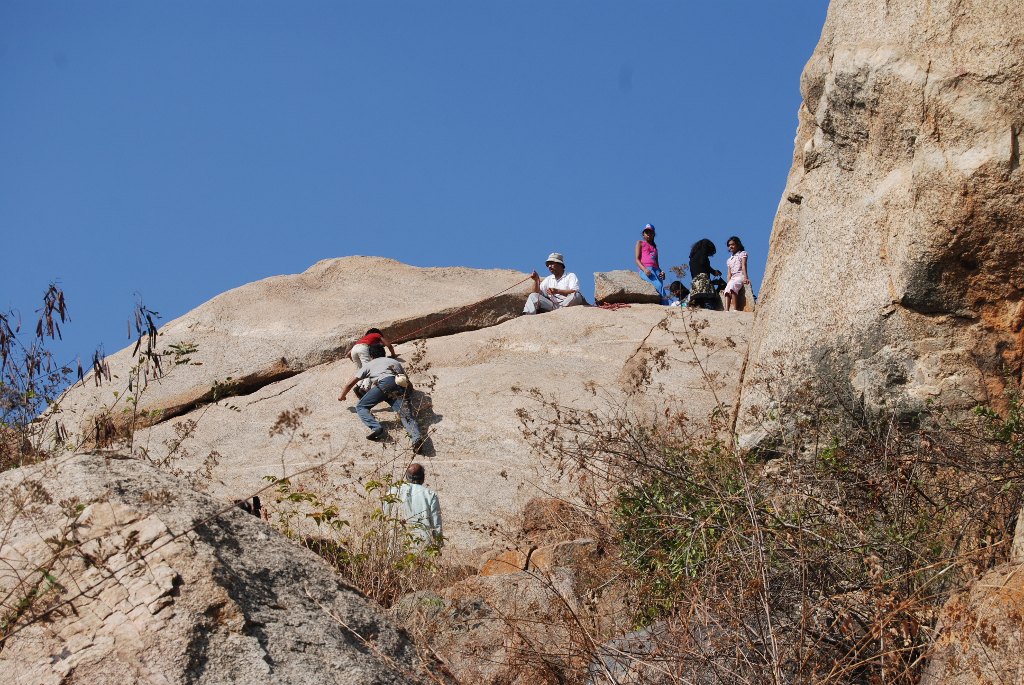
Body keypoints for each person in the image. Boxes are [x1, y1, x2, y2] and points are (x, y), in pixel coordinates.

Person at [338, 344, 424, 451]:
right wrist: (409, 393)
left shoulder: (370, 364)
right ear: (384, 353)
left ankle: (377, 428)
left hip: (384, 385)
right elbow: (406, 381)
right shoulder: (395, 362)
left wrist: (342, 396)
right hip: (399, 387)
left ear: (371, 355)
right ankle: (416, 439)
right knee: (406, 415)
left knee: (361, 407)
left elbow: (350, 383)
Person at [388, 462, 443, 549]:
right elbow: (436, 523)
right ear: (423, 478)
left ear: (406, 476)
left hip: (397, 542)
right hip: (422, 545)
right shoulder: (430, 495)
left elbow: (385, 516)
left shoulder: (393, 491)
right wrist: (438, 545)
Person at [634, 223, 668, 304]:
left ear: (654, 234)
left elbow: (657, 264)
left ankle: (663, 305)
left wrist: (662, 272)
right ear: (643, 234)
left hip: (656, 271)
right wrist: (644, 269)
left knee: (660, 287)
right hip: (646, 269)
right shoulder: (640, 243)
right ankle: (666, 306)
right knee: (658, 286)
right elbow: (637, 259)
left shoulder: (655, 248)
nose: (648, 234)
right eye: (647, 232)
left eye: (650, 232)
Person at [688, 239, 722, 310]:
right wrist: (713, 272)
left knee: (698, 305)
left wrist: (713, 272)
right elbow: (703, 263)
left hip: (695, 283)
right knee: (708, 302)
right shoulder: (703, 255)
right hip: (703, 281)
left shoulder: (692, 257)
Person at [723, 236, 750, 312]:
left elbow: (744, 266)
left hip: (740, 276)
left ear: (738, 244)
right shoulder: (729, 260)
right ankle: (726, 310)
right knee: (727, 290)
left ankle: (735, 309)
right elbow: (729, 273)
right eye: (729, 245)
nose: (730, 246)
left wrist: (746, 277)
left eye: (732, 244)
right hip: (733, 278)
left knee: (733, 286)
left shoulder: (742, 254)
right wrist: (728, 282)